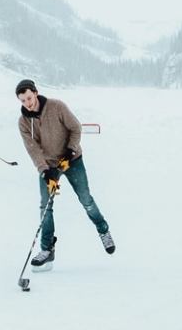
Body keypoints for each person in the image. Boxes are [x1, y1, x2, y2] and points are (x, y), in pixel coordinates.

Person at [16, 79, 113, 267]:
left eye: (29, 97)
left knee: (86, 200)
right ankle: (46, 249)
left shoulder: (56, 106)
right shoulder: (24, 122)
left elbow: (76, 128)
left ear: (35, 93)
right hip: (49, 165)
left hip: (72, 160)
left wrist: (69, 152)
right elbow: (32, 148)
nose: (27, 103)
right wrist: (45, 171)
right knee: (45, 207)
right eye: (23, 101)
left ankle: (103, 230)